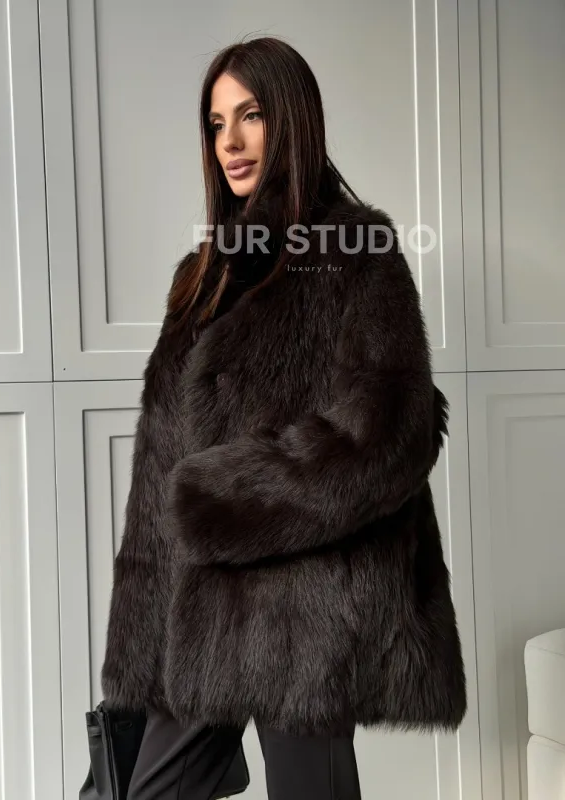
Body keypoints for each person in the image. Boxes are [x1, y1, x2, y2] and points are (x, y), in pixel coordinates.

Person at [99, 36, 467, 800]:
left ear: (292, 119)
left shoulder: (356, 253)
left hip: (308, 615)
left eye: (251, 115)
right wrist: (139, 651)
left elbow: (388, 433)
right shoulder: (201, 275)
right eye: (216, 123)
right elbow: (161, 469)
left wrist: (226, 498)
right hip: (200, 617)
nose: (229, 142)